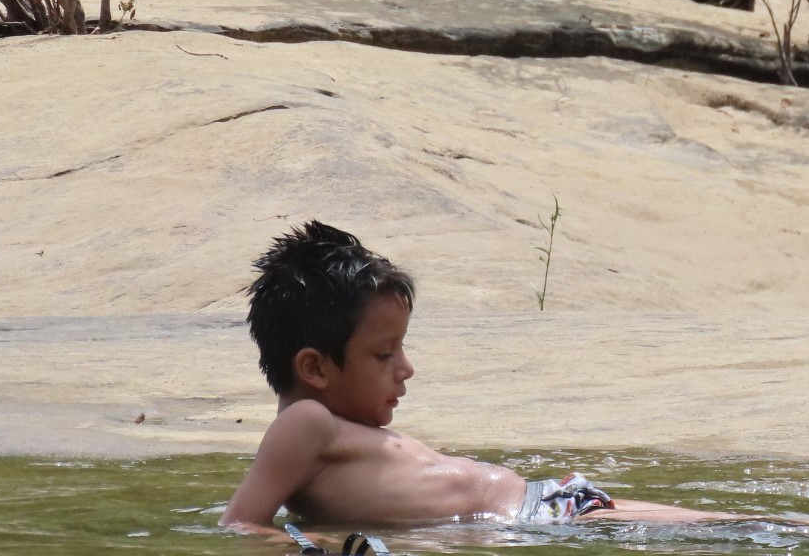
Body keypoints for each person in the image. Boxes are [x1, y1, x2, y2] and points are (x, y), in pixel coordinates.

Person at [219, 221, 742, 530]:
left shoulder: (340, 430)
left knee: (724, 526)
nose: (406, 369)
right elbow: (242, 523)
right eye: (383, 355)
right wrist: (326, 551)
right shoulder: (306, 422)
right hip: (537, 519)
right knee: (723, 530)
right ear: (313, 367)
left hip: (546, 505)